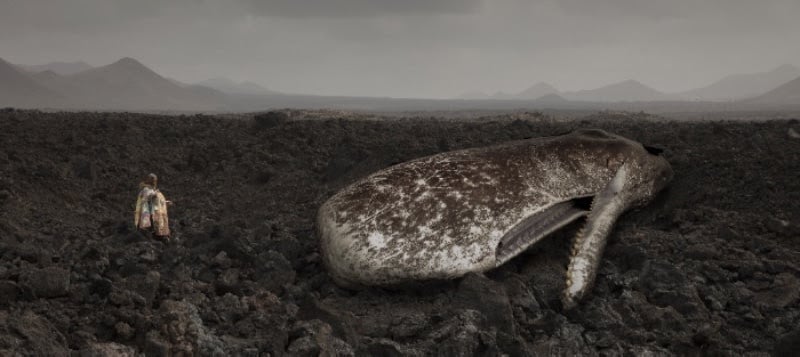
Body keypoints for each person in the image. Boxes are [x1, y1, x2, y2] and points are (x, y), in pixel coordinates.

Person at [134, 173, 173, 240]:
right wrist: (154, 194)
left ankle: (159, 235)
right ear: (148, 180)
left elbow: (156, 202)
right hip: (147, 213)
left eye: (154, 180)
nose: (153, 181)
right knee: (150, 226)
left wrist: (165, 202)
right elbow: (146, 198)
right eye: (152, 179)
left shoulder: (153, 190)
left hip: (154, 212)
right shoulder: (146, 189)